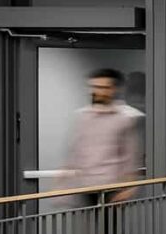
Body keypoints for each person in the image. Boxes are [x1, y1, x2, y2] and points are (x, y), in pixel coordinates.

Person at [61, 67, 144, 207]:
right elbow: (75, 151)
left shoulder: (125, 118)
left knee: (109, 228)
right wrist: (63, 183)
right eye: (93, 86)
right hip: (85, 187)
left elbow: (131, 155)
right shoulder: (83, 116)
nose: (96, 91)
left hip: (112, 187)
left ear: (113, 89)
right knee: (88, 228)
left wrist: (129, 187)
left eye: (101, 87)